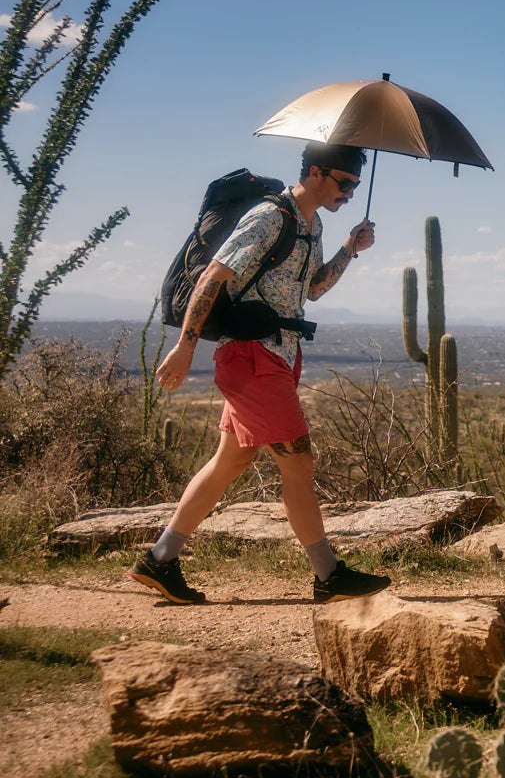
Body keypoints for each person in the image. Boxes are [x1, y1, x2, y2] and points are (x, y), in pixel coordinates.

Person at [129, 142, 391, 605]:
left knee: (230, 462)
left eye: (354, 185)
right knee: (299, 462)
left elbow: (311, 291)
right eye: (344, 182)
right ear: (315, 172)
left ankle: (159, 558)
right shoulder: (270, 216)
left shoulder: (313, 224)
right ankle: (328, 575)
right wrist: (185, 346)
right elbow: (212, 277)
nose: (349, 192)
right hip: (251, 358)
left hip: (280, 356)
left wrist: (350, 249)